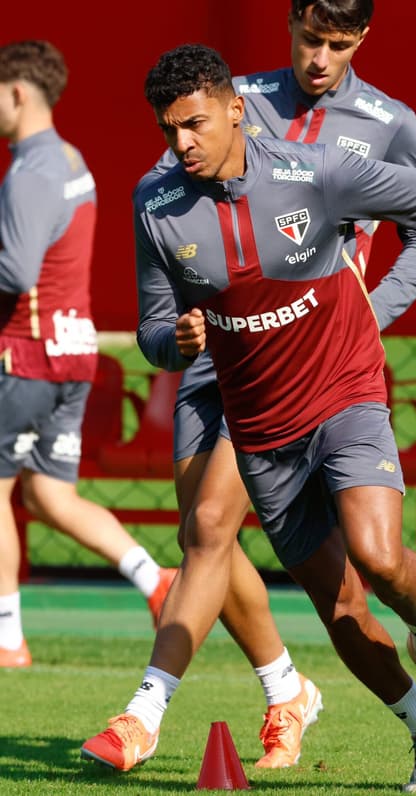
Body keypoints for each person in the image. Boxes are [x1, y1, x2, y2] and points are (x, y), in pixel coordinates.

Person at [84, 0, 416, 772]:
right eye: (310, 38)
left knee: (362, 554)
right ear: (288, 25)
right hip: (237, 389)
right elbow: (154, 325)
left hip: (335, 374)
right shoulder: (168, 187)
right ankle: (399, 727)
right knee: (248, 556)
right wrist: (175, 342)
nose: (319, 58)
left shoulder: (348, 147)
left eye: (337, 44)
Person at [0, 40, 177, 669]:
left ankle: (7, 640)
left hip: (27, 355)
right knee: (50, 496)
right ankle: (155, 579)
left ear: (17, 93)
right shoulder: (72, 159)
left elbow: (16, 272)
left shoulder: (30, 172)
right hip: (74, 350)